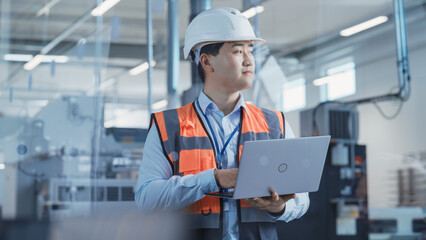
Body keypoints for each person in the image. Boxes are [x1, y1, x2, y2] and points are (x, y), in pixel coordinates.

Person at [135, 7, 309, 240]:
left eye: (251, 50)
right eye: (238, 51)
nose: (249, 60)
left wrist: (278, 207)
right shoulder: (168, 126)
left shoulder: (274, 123)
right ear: (207, 62)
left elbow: (302, 198)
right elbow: (146, 199)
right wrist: (213, 179)